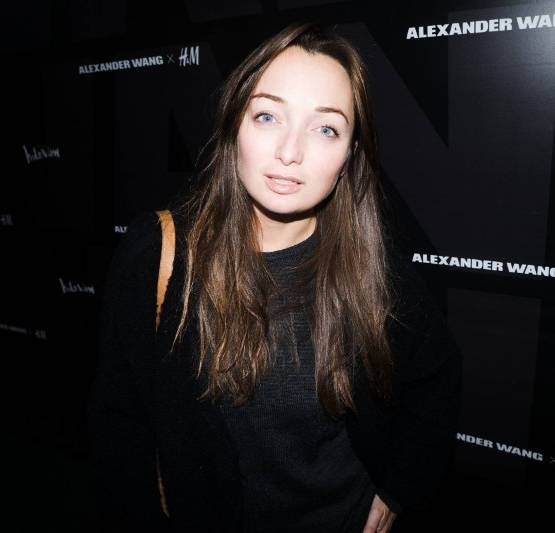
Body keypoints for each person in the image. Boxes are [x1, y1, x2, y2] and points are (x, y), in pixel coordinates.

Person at [86, 21, 462, 533]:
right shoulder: (157, 256)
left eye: (325, 128)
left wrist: (400, 486)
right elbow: (120, 427)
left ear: (350, 155)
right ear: (233, 125)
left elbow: (436, 378)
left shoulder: (374, 268)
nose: (290, 151)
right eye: (267, 116)